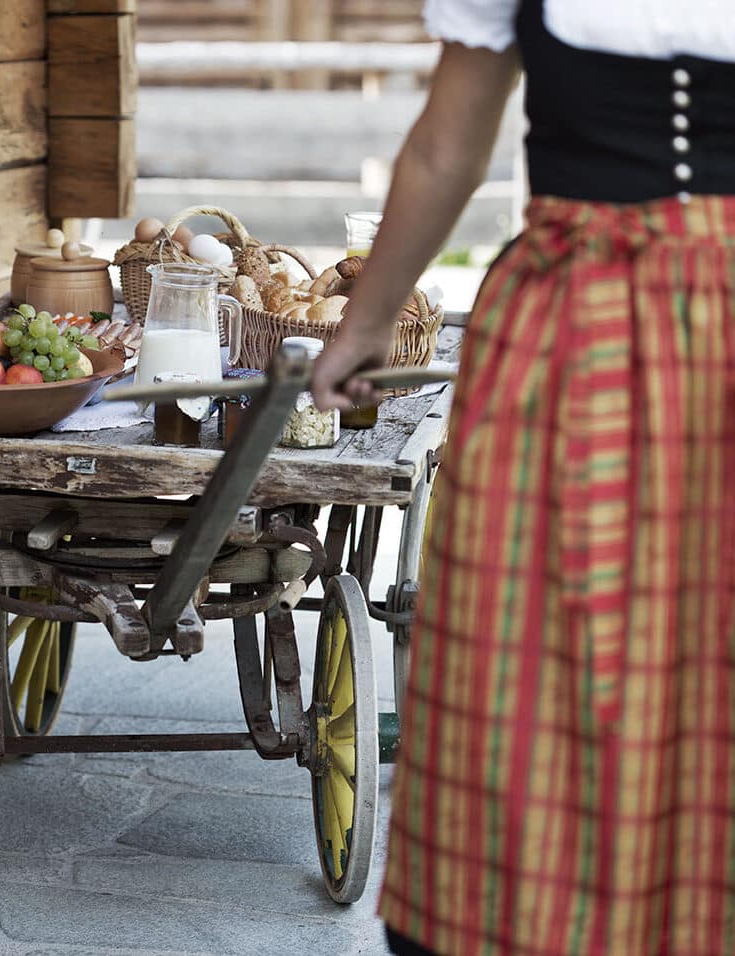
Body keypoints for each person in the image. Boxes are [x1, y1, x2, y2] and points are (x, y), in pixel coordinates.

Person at [311, 2, 735, 954]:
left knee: (567, 647)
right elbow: (445, 150)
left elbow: (446, 151)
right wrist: (370, 318)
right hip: (588, 331)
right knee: (573, 644)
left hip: (591, 326)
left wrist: (368, 322)